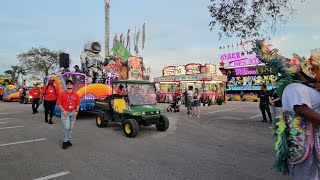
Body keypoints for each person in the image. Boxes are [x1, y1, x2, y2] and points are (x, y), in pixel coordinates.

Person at [56, 80, 80, 149]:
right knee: (66, 127)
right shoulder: (62, 94)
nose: (69, 85)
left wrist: (76, 111)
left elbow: (78, 103)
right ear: (66, 86)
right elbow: (59, 103)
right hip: (65, 113)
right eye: (67, 84)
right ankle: (64, 142)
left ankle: (68, 140)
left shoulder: (76, 94)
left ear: (73, 86)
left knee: (70, 128)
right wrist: (63, 111)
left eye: (70, 84)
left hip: (73, 112)